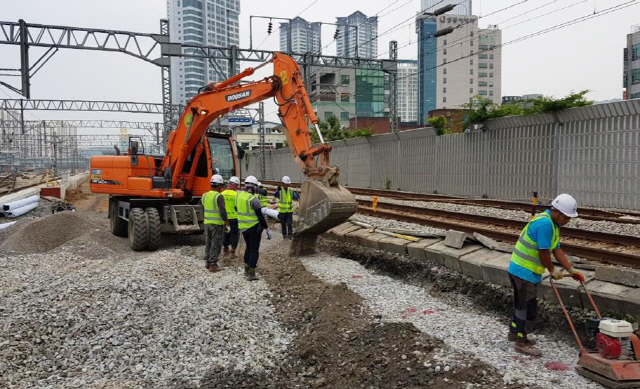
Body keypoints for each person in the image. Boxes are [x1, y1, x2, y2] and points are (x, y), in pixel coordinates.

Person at [508, 193, 585, 356]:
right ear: (556, 211)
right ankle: (521, 341)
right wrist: (552, 270)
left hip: (524, 271)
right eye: (566, 217)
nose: (568, 221)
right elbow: (544, 253)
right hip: (523, 272)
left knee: (522, 304)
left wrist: (571, 270)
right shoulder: (545, 224)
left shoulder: (553, 224)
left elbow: (556, 249)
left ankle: (514, 332)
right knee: (527, 308)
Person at [236, 175, 271, 281]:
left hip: (243, 227)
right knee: (254, 250)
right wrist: (267, 229)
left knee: (248, 248)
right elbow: (260, 216)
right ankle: (251, 273)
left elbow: (236, 208)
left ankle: (246, 269)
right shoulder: (253, 199)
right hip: (254, 228)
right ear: (254, 187)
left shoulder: (239, 196)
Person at [201, 174, 230, 273]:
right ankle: (213, 264)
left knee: (208, 242)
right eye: (221, 186)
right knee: (216, 243)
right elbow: (223, 212)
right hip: (217, 224)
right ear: (218, 186)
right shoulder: (219, 196)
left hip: (207, 222)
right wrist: (227, 223)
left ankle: (208, 262)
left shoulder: (205, 195)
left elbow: (203, 208)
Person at [274, 175, 298, 240]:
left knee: (289, 223)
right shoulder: (280, 191)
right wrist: (277, 190)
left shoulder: (291, 190)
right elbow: (275, 195)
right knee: (283, 224)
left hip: (289, 211)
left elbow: (295, 197)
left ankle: (290, 235)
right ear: (282, 184)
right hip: (282, 211)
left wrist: (296, 195)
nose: (287, 185)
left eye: (288, 184)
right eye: (286, 184)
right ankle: (284, 235)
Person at [222, 176, 240, 259]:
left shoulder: (222, 194)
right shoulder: (236, 195)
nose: (237, 188)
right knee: (234, 234)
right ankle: (233, 251)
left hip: (224, 218)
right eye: (236, 186)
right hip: (234, 218)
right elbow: (238, 207)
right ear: (234, 185)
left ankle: (225, 249)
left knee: (226, 233)